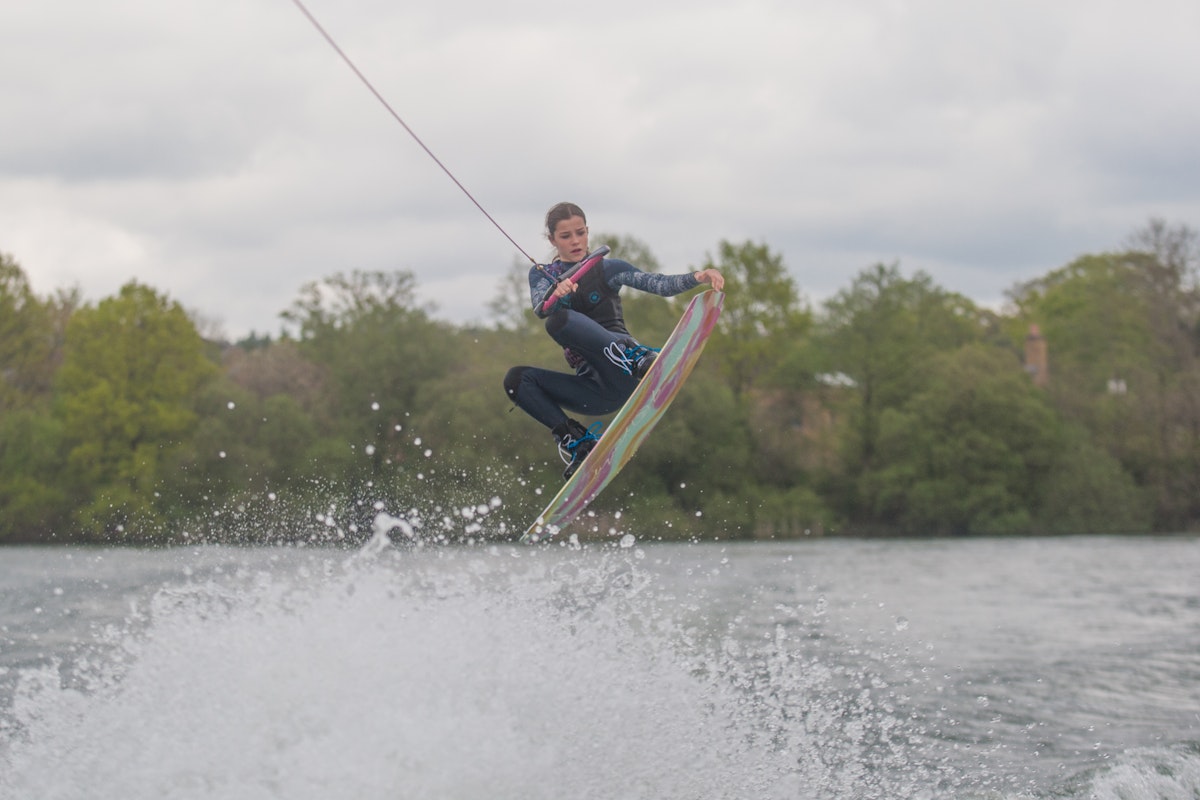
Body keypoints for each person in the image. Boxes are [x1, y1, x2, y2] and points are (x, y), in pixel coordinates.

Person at [503, 202, 725, 480]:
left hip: (626, 372)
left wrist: (698, 276)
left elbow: (657, 283)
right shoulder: (542, 275)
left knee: (559, 320)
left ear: (587, 232)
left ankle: (633, 357)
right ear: (552, 240)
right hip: (595, 393)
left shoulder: (608, 269)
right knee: (516, 379)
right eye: (566, 236)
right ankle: (578, 442)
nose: (576, 241)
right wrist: (555, 293)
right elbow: (540, 307)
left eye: (580, 233)